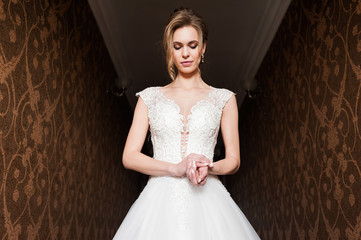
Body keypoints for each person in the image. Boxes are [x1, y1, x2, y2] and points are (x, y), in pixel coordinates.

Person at [113, 7, 260, 240]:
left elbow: (234, 160)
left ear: (203, 48)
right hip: (157, 203)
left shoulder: (225, 99)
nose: (185, 53)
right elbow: (129, 156)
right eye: (178, 46)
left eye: (192, 45)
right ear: (169, 50)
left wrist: (210, 167)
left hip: (209, 199)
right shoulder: (149, 98)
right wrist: (174, 168)